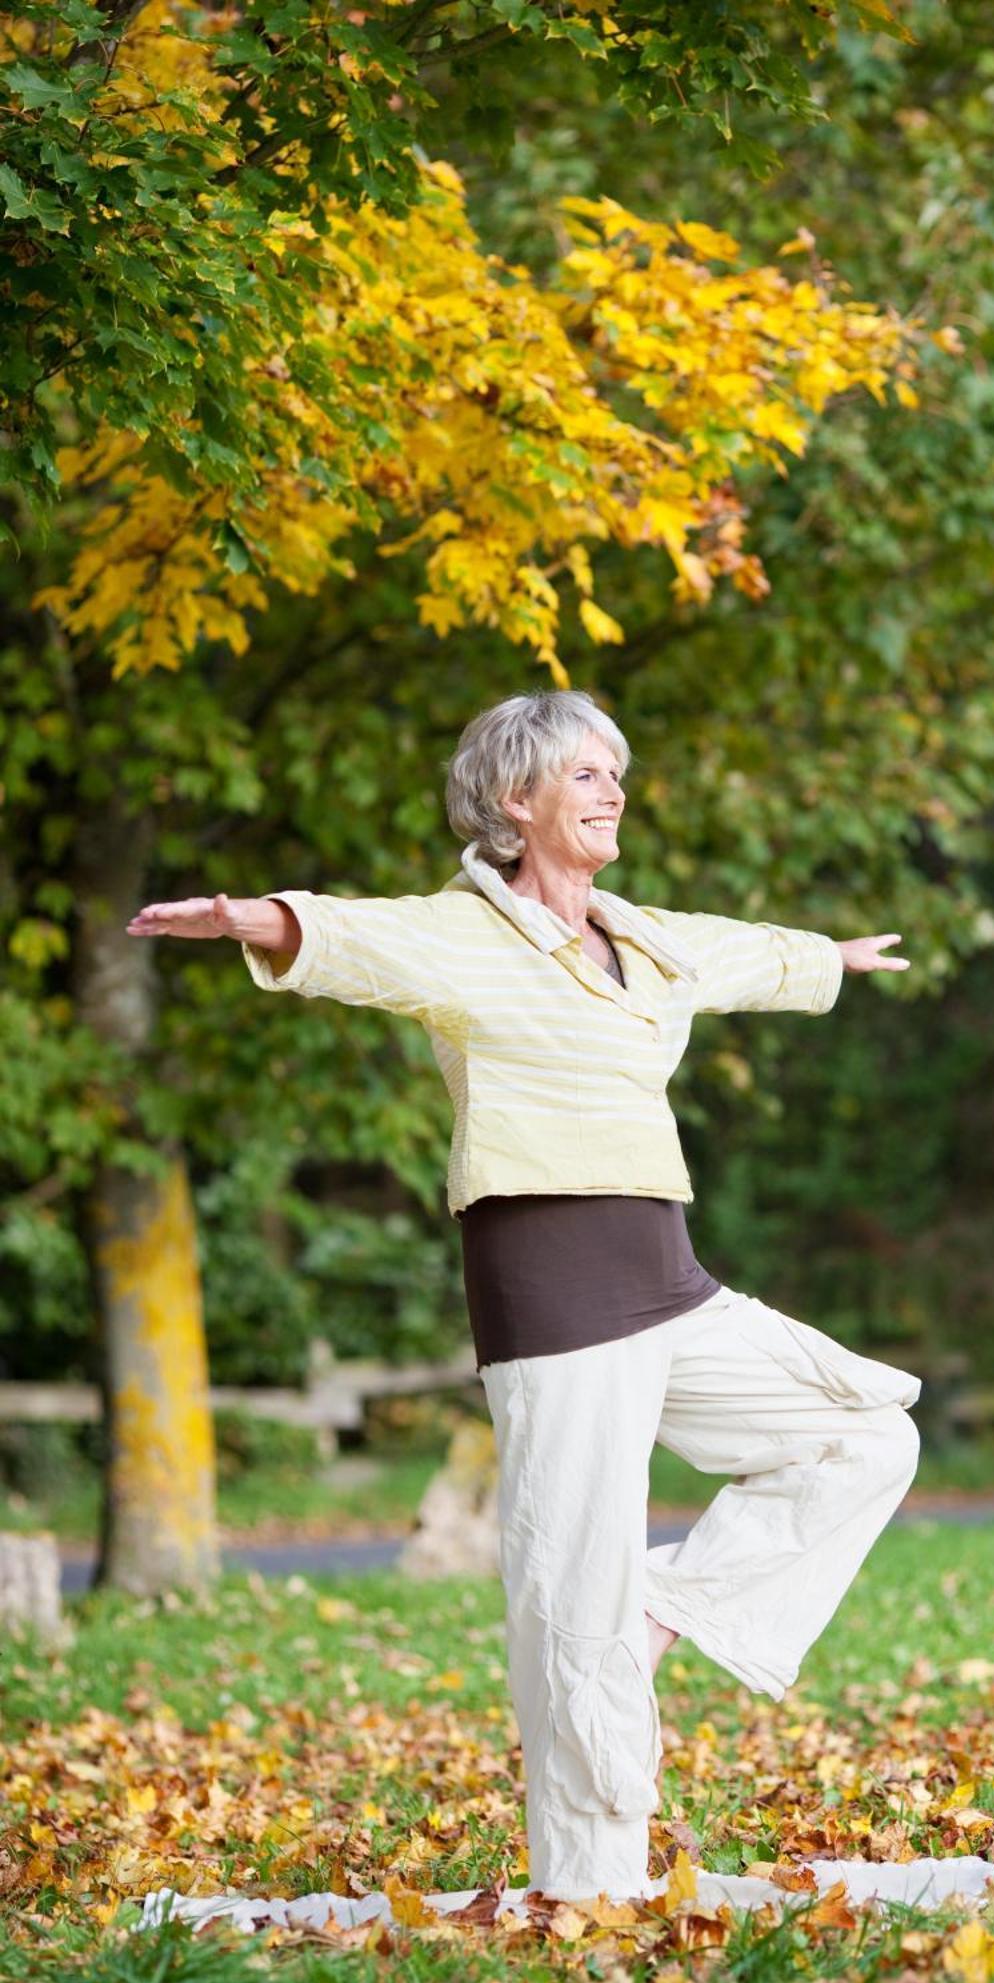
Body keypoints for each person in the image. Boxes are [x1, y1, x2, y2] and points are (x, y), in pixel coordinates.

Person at [126, 687, 927, 1904]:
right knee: (566, 1588)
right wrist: (252, 917)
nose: (615, 791)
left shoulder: (637, 932)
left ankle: (650, 1610)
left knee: (864, 1432)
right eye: (589, 774)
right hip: (550, 1296)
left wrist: (829, 958)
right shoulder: (465, 935)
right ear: (516, 801)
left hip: (667, 1278)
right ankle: (590, 1886)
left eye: (618, 771)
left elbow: (733, 949)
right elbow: (354, 935)